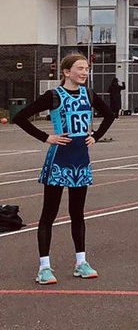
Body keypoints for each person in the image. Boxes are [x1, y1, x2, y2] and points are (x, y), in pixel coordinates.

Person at [14, 54, 116, 285]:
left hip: (81, 162)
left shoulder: (88, 94)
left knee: (77, 213)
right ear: (66, 72)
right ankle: (44, 267)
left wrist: (96, 136)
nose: (85, 72)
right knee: (48, 214)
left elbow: (110, 115)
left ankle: (81, 262)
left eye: (87, 68)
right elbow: (20, 117)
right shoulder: (53, 96)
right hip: (59, 162)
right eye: (80, 68)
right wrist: (46, 137)